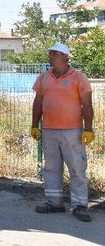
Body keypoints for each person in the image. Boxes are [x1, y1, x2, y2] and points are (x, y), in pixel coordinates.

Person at [31, 43, 95, 222]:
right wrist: (34, 125)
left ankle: (80, 205)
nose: (51, 55)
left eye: (55, 53)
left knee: (76, 168)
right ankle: (54, 202)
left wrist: (88, 128)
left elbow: (87, 105)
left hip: (72, 131)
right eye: (50, 53)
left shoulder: (79, 77)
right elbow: (38, 102)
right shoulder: (43, 77)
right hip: (49, 130)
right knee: (51, 168)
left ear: (66, 57)